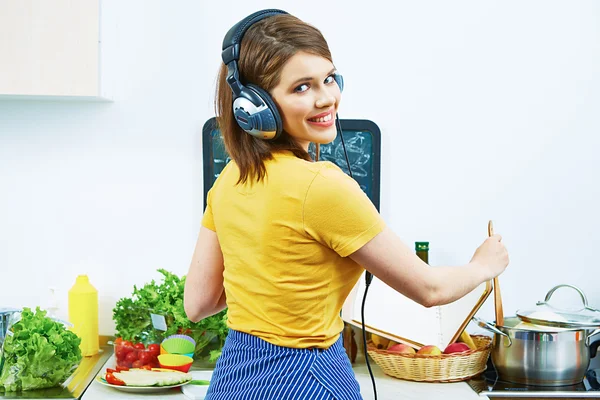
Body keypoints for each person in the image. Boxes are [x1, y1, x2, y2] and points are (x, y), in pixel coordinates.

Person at [184, 9, 509, 400]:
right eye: (301, 87)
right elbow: (430, 290)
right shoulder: (323, 187)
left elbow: (199, 303)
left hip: (232, 378)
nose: (327, 98)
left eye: (328, 78)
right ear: (254, 106)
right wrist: (483, 265)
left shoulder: (230, 179)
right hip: (308, 379)